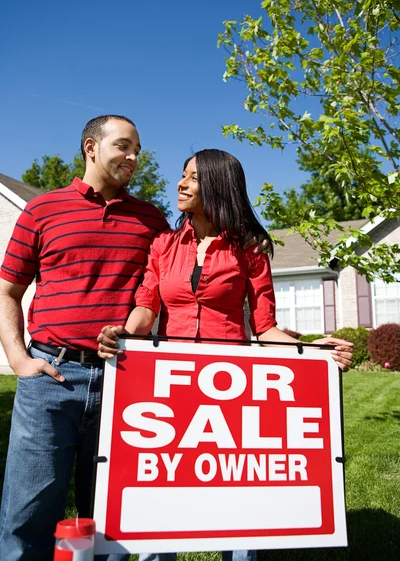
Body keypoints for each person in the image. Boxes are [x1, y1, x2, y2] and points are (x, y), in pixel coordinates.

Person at [0, 118, 272, 561]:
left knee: (116, 516)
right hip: (51, 375)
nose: (134, 157)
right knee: (27, 513)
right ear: (91, 147)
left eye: (138, 149)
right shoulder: (42, 210)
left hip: (126, 381)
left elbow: (152, 303)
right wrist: (19, 359)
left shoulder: (153, 222)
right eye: (124, 146)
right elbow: (8, 290)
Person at [97, 149, 353, 561]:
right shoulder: (163, 245)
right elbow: (146, 310)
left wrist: (315, 349)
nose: (180, 184)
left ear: (218, 185)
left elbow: (265, 328)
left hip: (229, 389)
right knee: (162, 492)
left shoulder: (250, 249)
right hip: (170, 385)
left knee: (237, 497)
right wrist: (122, 336)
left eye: (193, 178)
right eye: (182, 176)